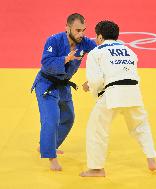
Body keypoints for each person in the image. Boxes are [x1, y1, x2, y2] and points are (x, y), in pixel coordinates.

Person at [80, 20, 156, 177]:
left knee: (96, 129)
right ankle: (151, 159)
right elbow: (126, 73)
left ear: (100, 36)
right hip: (133, 92)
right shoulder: (129, 51)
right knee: (141, 125)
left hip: (112, 94)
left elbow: (96, 81)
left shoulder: (96, 52)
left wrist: (91, 88)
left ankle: (97, 168)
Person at [31, 13, 97, 171]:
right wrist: (65, 60)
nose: (81, 34)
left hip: (63, 85)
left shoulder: (85, 43)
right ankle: (50, 155)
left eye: (83, 30)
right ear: (67, 28)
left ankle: (48, 145)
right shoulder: (53, 40)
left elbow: (100, 55)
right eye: (77, 30)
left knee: (68, 117)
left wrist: (93, 79)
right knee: (51, 119)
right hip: (46, 83)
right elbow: (46, 63)